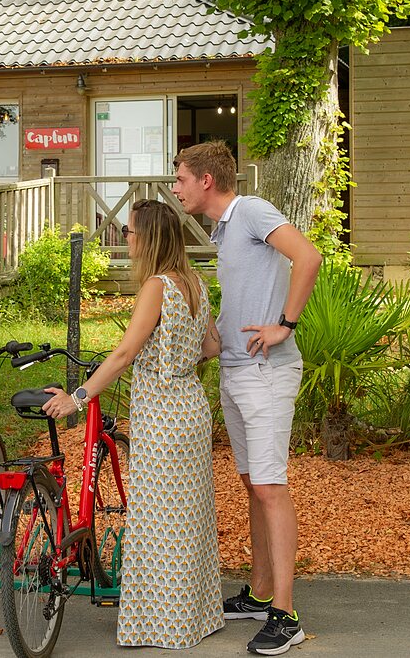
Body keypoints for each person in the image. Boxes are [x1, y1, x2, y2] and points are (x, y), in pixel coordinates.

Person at [43, 199, 223, 649]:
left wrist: (78, 396)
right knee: (187, 518)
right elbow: (214, 345)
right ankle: (192, 617)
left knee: (158, 520)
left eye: (130, 230)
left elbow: (123, 354)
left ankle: (160, 623)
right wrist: (178, 359)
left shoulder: (157, 287)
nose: (126, 237)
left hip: (162, 414)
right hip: (191, 408)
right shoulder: (195, 283)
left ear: (148, 237)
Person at [171, 142, 322, 656]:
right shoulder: (223, 228)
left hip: (267, 371)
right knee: (252, 484)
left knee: (270, 486)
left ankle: (286, 614)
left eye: (181, 178)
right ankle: (260, 594)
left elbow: (309, 256)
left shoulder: (251, 210)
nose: (176, 188)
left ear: (206, 181)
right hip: (236, 369)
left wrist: (286, 325)